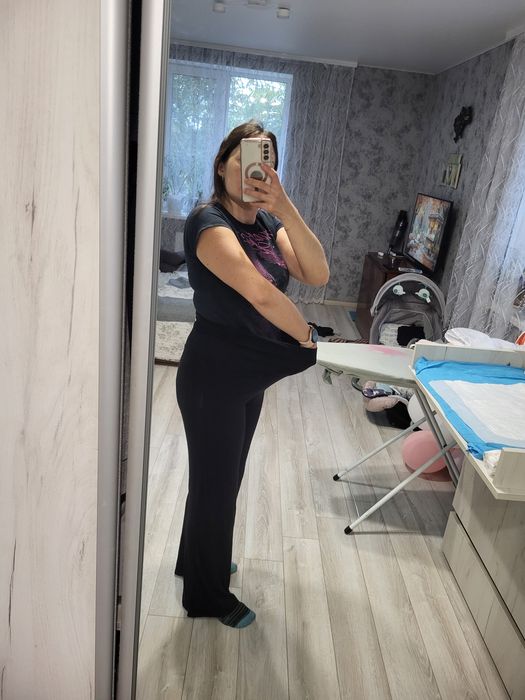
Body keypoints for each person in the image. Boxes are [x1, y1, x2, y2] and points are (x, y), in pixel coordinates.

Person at [174, 120, 329, 628]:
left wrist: (284, 206)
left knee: (222, 479)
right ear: (222, 166)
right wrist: (307, 336)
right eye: (245, 162)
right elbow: (260, 293)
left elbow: (317, 273)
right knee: (216, 485)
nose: (256, 173)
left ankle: (195, 559)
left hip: (248, 373)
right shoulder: (208, 223)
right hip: (213, 374)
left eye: (267, 164)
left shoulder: (266, 223)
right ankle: (206, 596)